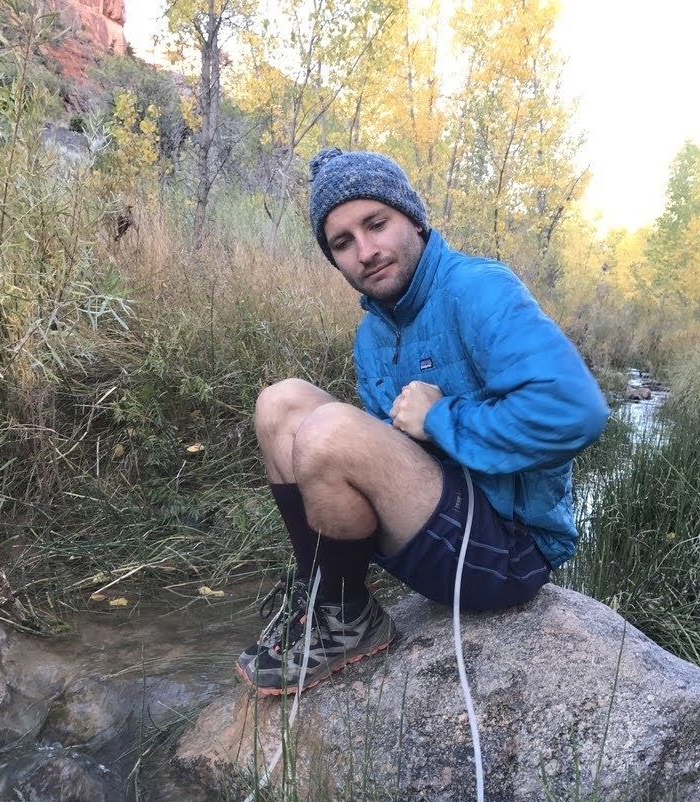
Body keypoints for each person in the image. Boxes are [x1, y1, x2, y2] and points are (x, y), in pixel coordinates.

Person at [236, 147, 609, 697]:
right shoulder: (373, 335)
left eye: (376, 224)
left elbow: (577, 411)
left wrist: (441, 419)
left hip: (509, 550)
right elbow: (379, 459)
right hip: (432, 527)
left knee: (328, 431)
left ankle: (343, 618)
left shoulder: (479, 288)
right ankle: (330, 605)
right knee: (279, 403)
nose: (365, 251)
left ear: (413, 218)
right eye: (343, 242)